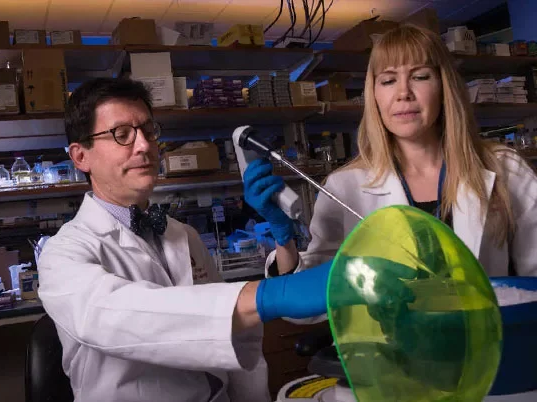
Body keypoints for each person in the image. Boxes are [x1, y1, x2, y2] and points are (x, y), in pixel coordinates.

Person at [37, 77, 378, 402]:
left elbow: (230, 347)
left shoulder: (180, 234)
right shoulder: (62, 255)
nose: (143, 146)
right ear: (81, 156)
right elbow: (116, 316)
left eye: (148, 130)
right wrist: (270, 296)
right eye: (122, 134)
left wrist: (282, 239)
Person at [244, 24, 537, 278]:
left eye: (420, 76)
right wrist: (285, 241)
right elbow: (318, 297)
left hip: (490, 340)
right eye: (387, 80)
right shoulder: (346, 186)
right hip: (391, 344)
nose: (403, 93)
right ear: (374, 94)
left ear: (444, 86)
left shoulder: (505, 168)